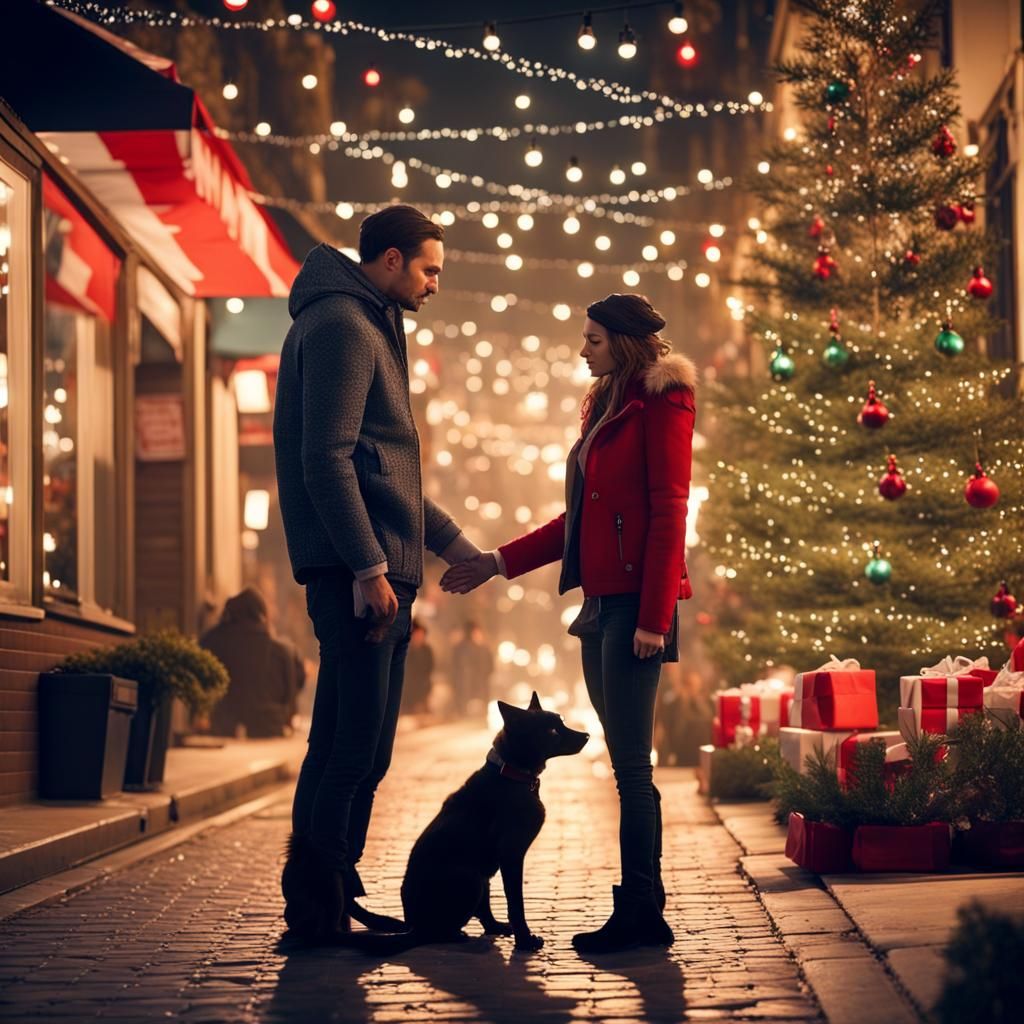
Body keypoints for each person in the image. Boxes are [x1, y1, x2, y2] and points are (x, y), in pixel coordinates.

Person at [442, 293, 696, 954]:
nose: (581, 349)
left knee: (632, 771)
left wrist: (654, 617)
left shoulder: (663, 402)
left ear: (622, 342)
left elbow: (671, 513)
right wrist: (497, 562)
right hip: (598, 609)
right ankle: (646, 900)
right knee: (624, 763)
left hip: (637, 610)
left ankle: (640, 908)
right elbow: (576, 524)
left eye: (592, 339)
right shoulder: (605, 407)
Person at [273, 204, 480, 940]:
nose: (433, 285)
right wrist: (366, 565)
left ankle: (325, 892)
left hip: (376, 571)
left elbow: (387, 469)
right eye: (429, 269)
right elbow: (326, 458)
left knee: (351, 744)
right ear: (389, 261)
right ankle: (317, 904)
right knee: (354, 747)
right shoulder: (341, 326)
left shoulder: (367, 324)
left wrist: (455, 548)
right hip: (355, 574)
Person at [199, 587, 305, 739]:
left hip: (223, 730)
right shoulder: (283, 650)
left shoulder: (212, 641)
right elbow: (293, 689)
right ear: (262, 614)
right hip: (269, 729)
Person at [450, 620, 495, 719]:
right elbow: (458, 667)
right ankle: (464, 714)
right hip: (467, 683)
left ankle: (479, 714)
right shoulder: (463, 648)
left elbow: (489, 665)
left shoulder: (483, 648)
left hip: (480, 681)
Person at [401, 619, 434, 719]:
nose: (419, 637)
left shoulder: (427, 650)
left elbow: (429, 670)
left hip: (423, 688)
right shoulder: (405, 650)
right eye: (417, 634)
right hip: (407, 692)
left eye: (421, 635)